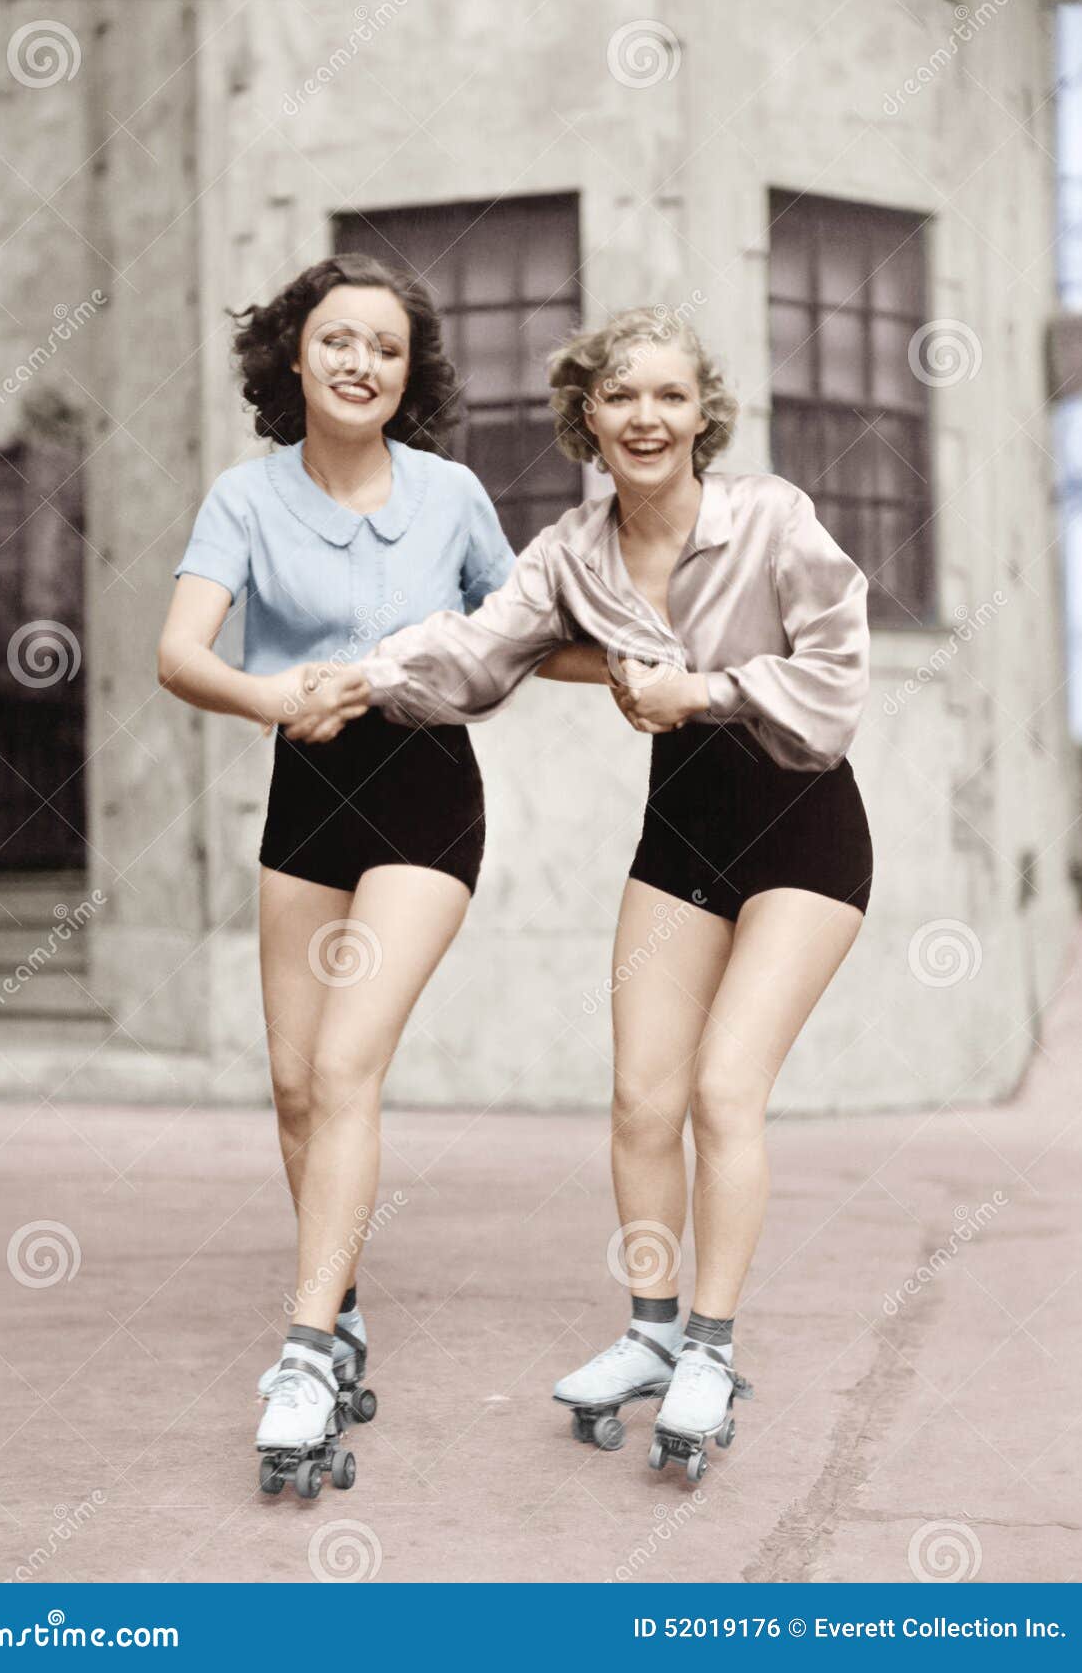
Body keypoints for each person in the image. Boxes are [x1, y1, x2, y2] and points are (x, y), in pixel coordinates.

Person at [354, 306, 874, 1476]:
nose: (647, 417)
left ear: (704, 415)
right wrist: (361, 673)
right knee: (642, 1100)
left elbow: (839, 683)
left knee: (723, 1091)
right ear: (586, 415)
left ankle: (713, 1345)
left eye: (669, 397)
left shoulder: (772, 519)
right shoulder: (571, 554)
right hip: (680, 837)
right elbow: (479, 652)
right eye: (620, 396)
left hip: (805, 829)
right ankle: (648, 1335)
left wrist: (710, 690)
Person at [156, 254, 599, 1485]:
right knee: (296, 1088)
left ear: (411, 374)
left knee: (348, 1061)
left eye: (388, 349)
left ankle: (300, 1354)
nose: (363, 363)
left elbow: (516, 635)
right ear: (294, 356)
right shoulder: (245, 501)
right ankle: (341, 1314)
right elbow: (179, 653)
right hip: (306, 794)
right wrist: (270, 696)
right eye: (339, 340)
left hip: (421, 793)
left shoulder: (450, 495)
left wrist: (624, 665)